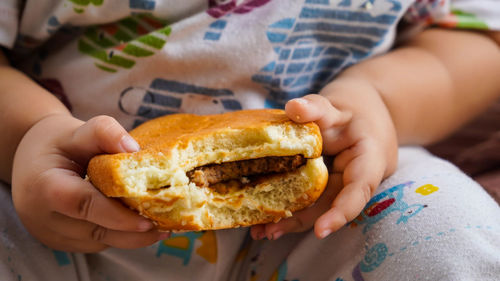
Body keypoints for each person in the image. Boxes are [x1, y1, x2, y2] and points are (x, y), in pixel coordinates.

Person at [0, 0, 499, 280]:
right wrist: (28, 135)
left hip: (334, 191)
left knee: (449, 235)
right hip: (58, 197)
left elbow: (476, 34)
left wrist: (381, 101)